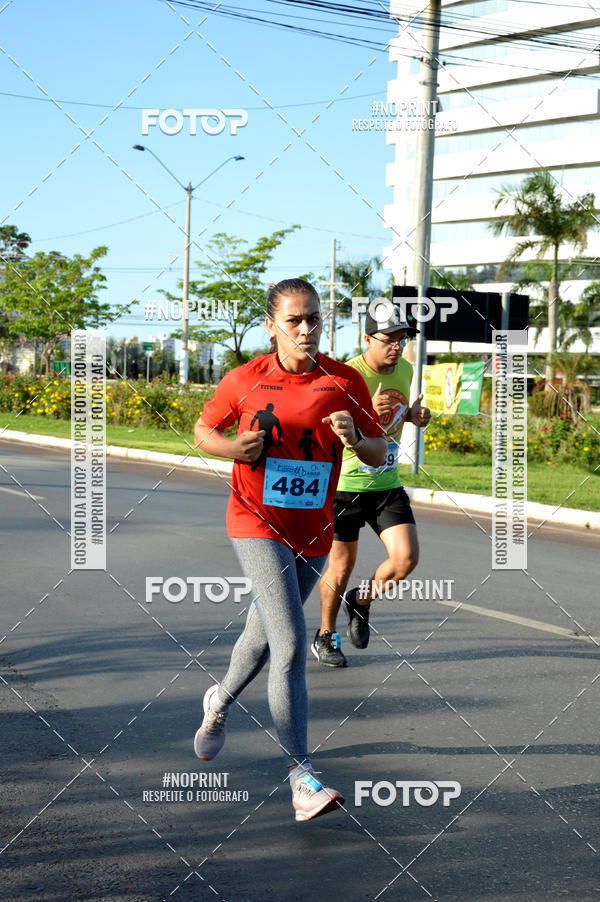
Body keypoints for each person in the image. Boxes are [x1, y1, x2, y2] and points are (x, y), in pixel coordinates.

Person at [192, 278, 386, 821]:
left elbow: (376, 451)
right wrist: (233, 447)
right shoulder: (245, 379)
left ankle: (218, 704)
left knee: (258, 641)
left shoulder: (345, 380)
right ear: (273, 324)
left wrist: (355, 438)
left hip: (314, 530)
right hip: (254, 522)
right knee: (290, 642)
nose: (307, 329)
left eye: (315, 319)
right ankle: (302, 775)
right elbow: (203, 430)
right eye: (295, 320)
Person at [313, 304, 431, 668]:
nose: (397, 346)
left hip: (386, 482)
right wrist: (363, 417)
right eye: (389, 339)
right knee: (340, 565)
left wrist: (412, 416)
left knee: (405, 559)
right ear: (367, 339)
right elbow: (324, 426)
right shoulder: (348, 376)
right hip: (345, 485)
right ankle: (326, 636)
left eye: (402, 339)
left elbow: (394, 420)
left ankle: (360, 601)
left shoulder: (407, 369)